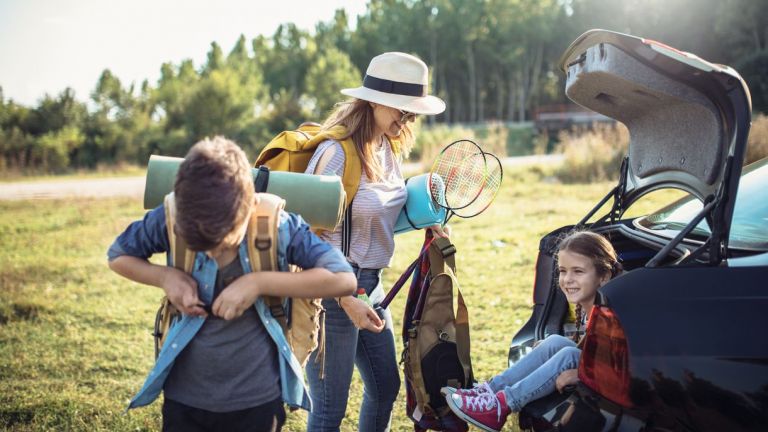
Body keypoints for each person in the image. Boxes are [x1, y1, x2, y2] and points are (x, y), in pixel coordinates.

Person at [107, 136, 356, 432]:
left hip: (258, 401)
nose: (212, 254)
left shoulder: (277, 225)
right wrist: (165, 277)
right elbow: (118, 255)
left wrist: (258, 282)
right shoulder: (172, 216)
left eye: (223, 243)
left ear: (250, 205)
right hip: (183, 398)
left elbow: (343, 278)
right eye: (200, 245)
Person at [303, 51, 448, 432]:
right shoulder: (334, 153)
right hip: (332, 289)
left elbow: (377, 211)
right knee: (330, 408)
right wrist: (345, 297)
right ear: (374, 101)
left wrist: (428, 225)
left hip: (372, 285)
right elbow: (306, 237)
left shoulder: (386, 148)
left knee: (386, 387)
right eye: (403, 109)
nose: (409, 118)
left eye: (413, 111)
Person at [442, 231, 622, 432]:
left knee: (569, 354)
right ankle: (490, 392)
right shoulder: (592, 308)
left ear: (604, 276)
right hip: (602, 371)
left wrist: (580, 374)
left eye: (578, 271)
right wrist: (548, 351)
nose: (568, 279)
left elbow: (623, 370)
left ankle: (502, 406)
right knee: (555, 342)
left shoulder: (612, 316)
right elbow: (590, 348)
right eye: (563, 271)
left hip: (619, 385)